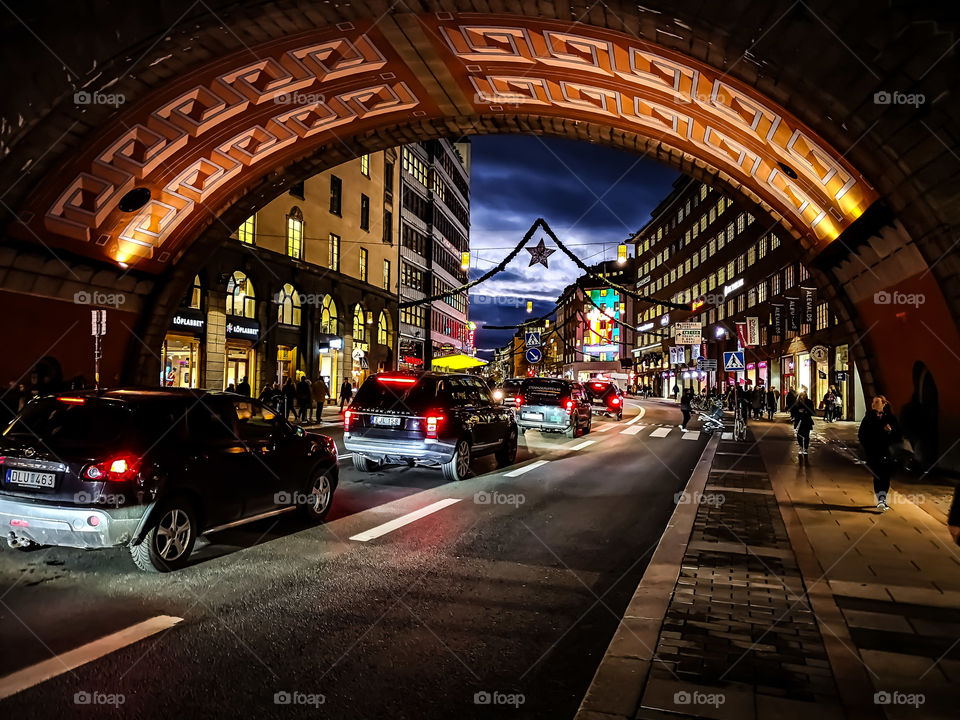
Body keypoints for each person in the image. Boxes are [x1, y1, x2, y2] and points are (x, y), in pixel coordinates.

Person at [858, 395, 901, 511]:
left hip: (887, 452)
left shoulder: (891, 418)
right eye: (873, 402)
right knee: (878, 475)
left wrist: (891, 431)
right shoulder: (868, 418)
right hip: (874, 452)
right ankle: (880, 499)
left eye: (877, 402)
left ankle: (883, 498)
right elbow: (861, 434)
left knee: (886, 476)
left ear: (883, 404)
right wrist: (868, 447)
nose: (873, 404)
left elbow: (898, 435)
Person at [792, 386, 816, 456]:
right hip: (799, 420)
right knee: (799, 434)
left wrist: (805, 411)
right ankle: (800, 446)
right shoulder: (797, 403)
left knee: (806, 435)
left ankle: (805, 448)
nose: (802, 396)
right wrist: (798, 411)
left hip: (806, 420)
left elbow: (813, 412)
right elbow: (793, 411)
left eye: (803, 395)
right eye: (801, 395)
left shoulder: (809, 402)